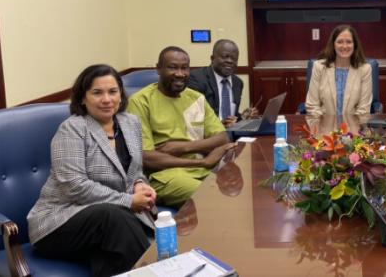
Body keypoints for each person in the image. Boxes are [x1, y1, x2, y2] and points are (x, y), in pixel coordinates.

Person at [27, 65, 155, 277]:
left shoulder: (130, 123)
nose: (107, 99)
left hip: (107, 224)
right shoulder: (72, 128)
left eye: (113, 92)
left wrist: (140, 184)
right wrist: (128, 201)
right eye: (97, 92)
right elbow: (74, 186)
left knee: (113, 253)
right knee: (113, 218)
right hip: (58, 222)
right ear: (82, 98)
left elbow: (134, 172)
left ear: (121, 96)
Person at [127, 46, 237, 208]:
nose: (180, 73)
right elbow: (146, 157)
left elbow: (222, 137)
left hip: (205, 171)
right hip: (167, 175)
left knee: (237, 193)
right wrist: (204, 160)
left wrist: (183, 147)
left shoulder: (196, 97)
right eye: (173, 67)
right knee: (212, 199)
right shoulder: (140, 101)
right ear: (158, 69)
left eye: (185, 68)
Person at [187, 39, 259, 127]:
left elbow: (232, 116)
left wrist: (243, 117)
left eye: (234, 58)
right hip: (209, 136)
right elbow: (193, 118)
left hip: (232, 134)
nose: (230, 61)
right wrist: (219, 125)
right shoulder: (197, 79)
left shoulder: (238, 82)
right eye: (225, 57)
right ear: (212, 58)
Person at [305, 25, 372, 116]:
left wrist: (350, 129)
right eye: (340, 42)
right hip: (324, 125)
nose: (344, 46)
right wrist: (324, 128)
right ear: (333, 44)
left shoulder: (365, 69)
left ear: (354, 45)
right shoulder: (319, 67)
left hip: (353, 127)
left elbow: (363, 110)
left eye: (349, 42)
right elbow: (312, 106)